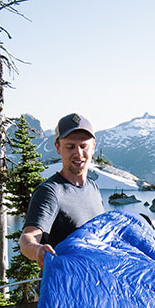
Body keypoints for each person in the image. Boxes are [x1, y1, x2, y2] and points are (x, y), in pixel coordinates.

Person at [18, 113, 105, 267]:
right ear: (58, 147)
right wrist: (37, 250)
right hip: (63, 287)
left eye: (83, 146)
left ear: (93, 147)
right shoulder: (50, 192)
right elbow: (29, 237)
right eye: (70, 146)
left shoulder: (93, 188)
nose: (78, 153)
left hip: (91, 285)